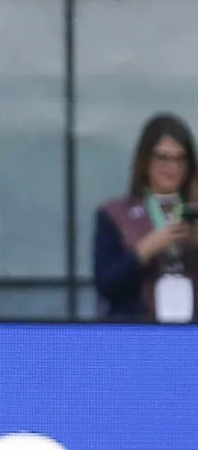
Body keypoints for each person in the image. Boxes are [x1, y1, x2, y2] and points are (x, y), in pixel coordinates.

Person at [93, 113, 198, 323]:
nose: (173, 168)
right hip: (138, 336)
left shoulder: (193, 211)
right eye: (163, 158)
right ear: (145, 160)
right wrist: (145, 250)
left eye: (180, 159)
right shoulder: (115, 215)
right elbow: (107, 286)